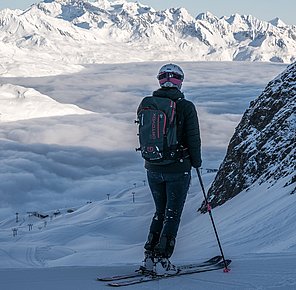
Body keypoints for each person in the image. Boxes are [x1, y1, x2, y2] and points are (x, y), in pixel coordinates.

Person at [138, 63, 202, 273]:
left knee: (159, 211)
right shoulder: (186, 106)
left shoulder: (147, 104)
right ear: (180, 82)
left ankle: (149, 256)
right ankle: (162, 260)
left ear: (159, 81)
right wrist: (197, 163)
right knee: (172, 214)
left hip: (152, 167)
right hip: (177, 169)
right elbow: (193, 139)